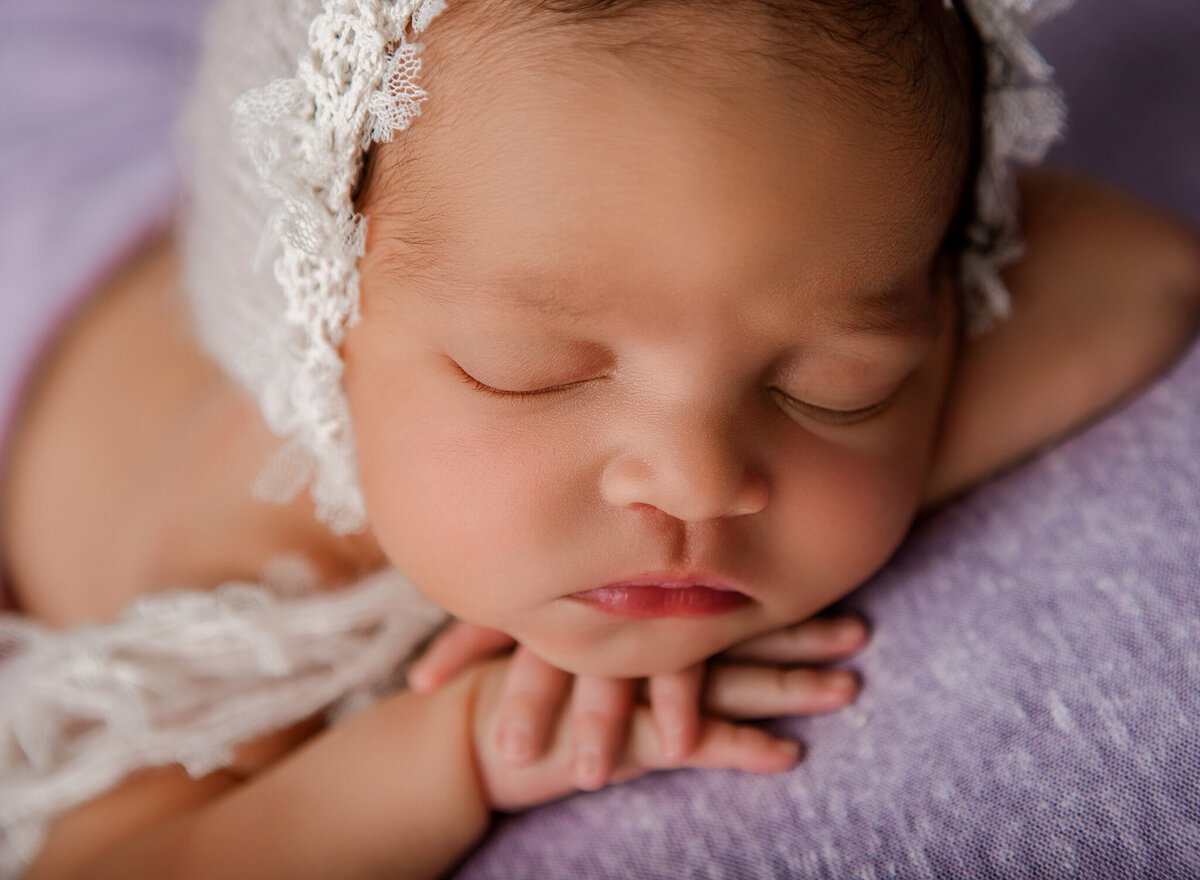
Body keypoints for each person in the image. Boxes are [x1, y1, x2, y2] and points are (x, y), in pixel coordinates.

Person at [2, 0, 1198, 877]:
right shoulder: (261, 577)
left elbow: (1147, 277)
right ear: (324, 335)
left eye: (840, 382)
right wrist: (446, 752)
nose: (696, 479)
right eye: (531, 374)